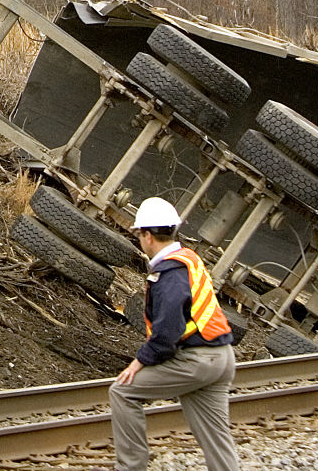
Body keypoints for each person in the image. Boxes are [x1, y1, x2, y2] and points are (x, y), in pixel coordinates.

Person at [109, 197, 240, 471]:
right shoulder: (189, 260)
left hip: (197, 361)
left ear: (147, 235)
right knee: (217, 439)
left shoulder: (169, 272)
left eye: (139, 234)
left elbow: (167, 331)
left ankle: (131, 467)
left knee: (122, 392)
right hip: (222, 358)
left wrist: (140, 361)